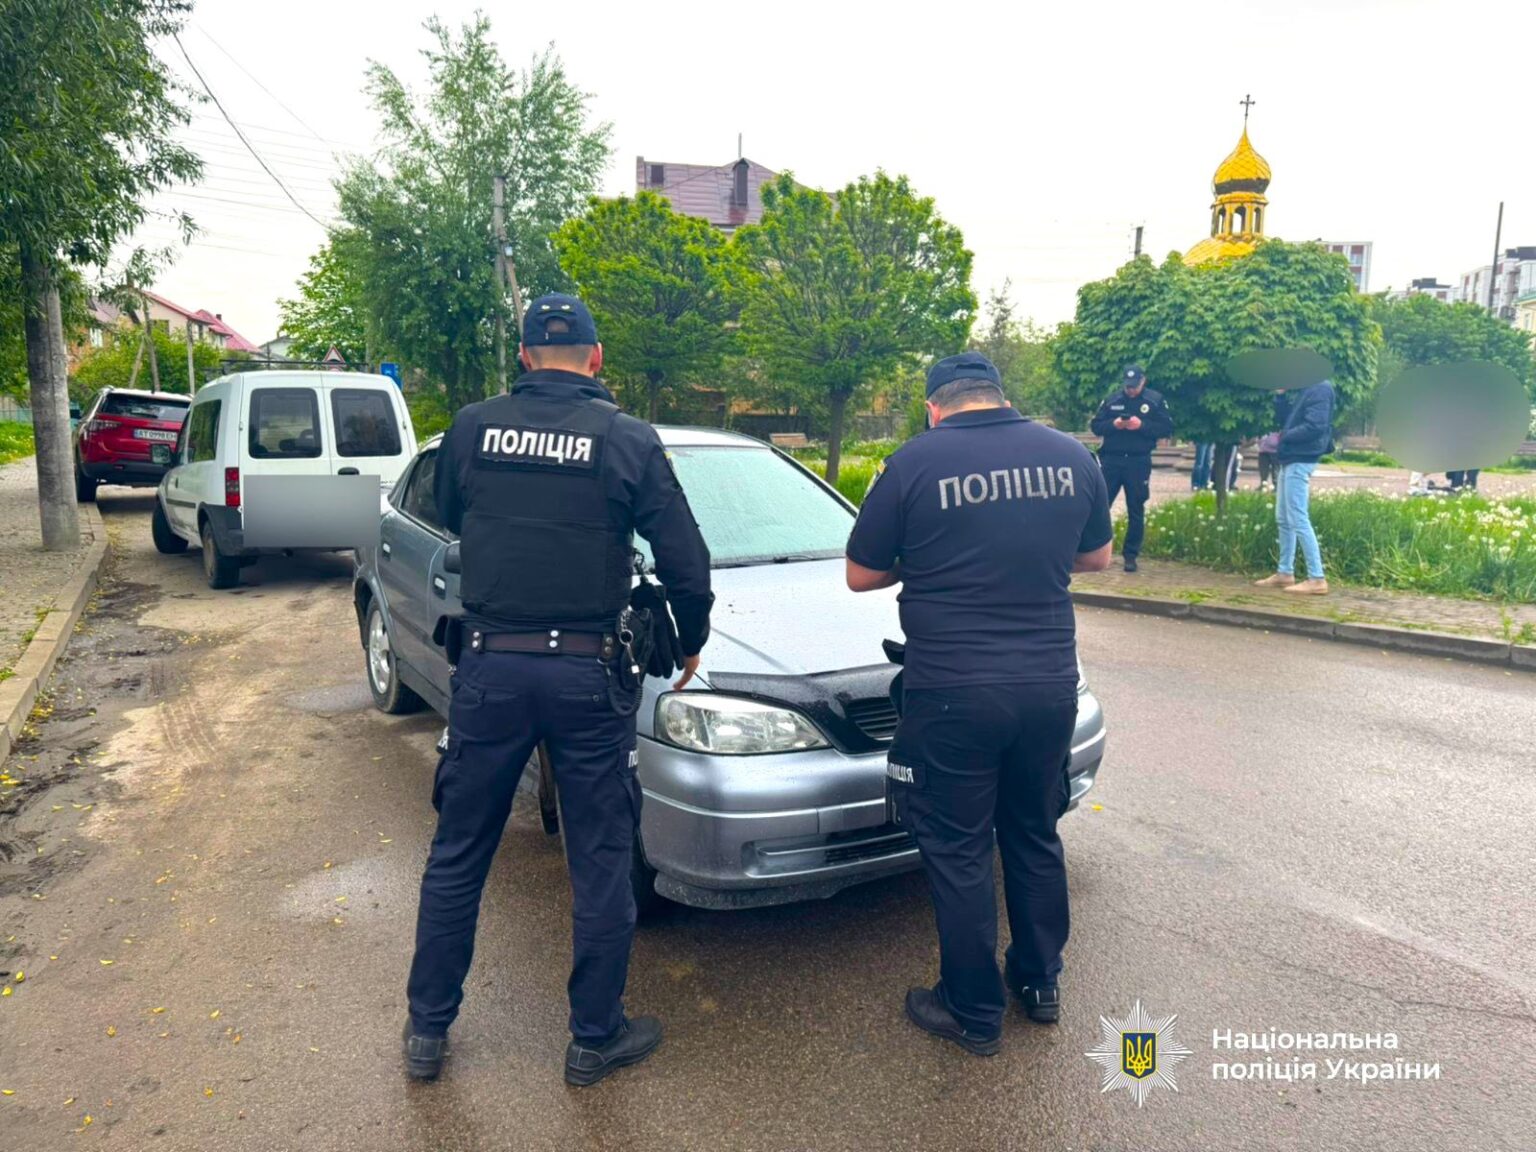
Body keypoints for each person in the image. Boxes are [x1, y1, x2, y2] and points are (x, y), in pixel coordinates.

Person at [403, 294, 714, 1086]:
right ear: (597, 357)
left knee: (460, 849)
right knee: (602, 855)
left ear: (523, 355)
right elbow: (686, 557)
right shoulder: (627, 440)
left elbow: (449, 512)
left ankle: (427, 1032)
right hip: (585, 672)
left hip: (490, 667)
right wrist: (693, 635)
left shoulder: (473, 428)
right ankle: (592, 1038)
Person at [845, 352, 1113, 1056]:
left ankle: (972, 1010)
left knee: (961, 850)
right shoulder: (1070, 455)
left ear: (936, 405)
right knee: (1032, 832)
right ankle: (1039, 981)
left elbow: (861, 573)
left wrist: (928, 559)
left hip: (954, 689)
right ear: (999, 395)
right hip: (1050, 684)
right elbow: (1096, 559)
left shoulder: (912, 463)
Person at [1254, 375, 1335, 595]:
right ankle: (1284, 573)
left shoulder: (1319, 388)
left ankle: (1317, 578)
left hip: (1301, 458)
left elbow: (1315, 427)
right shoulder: (1306, 388)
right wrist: (1280, 397)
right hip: (1292, 458)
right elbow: (1288, 420)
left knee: (1298, 517)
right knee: (1284, 518)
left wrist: (1283, 436)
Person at [1089, 365, 1174, 572]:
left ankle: (1130, 555)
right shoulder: (1112, 400)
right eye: (1128, 387)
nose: (1131, 390)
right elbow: (1096, 426)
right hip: (1112, 460)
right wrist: (1114, 424)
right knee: (1100, 507)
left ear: (1143, 381)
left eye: (1134, 386)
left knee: (1136, 508)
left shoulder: (1154, 400)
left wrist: (1142, 425)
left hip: (1138, 461)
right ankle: (1096, 551)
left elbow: (1167, 428)